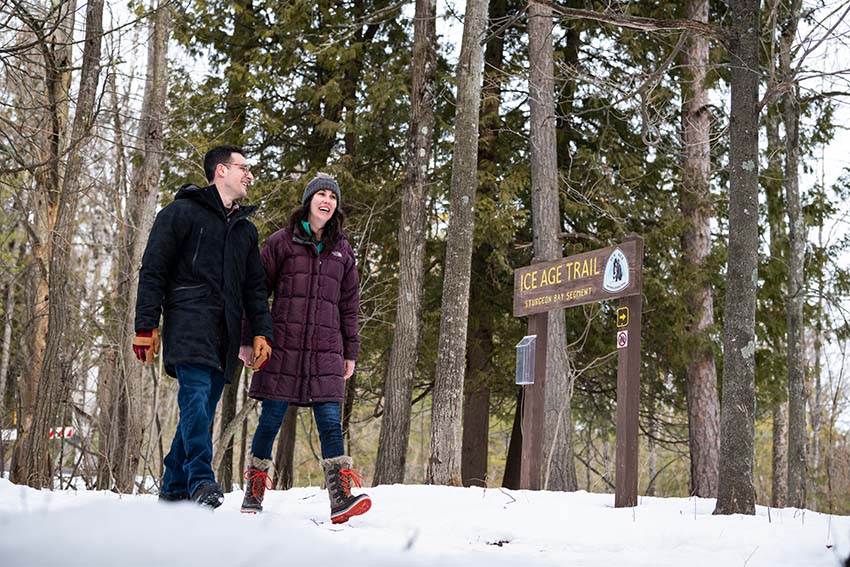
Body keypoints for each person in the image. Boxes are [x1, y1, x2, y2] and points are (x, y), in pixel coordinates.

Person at [133, 145, 273, 509]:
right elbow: (153, 269)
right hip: (188, 318)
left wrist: (260, 331)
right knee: (193, 397)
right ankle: (200, 478)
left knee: (202, 408)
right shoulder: (180, 213)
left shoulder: (245, 231)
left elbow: (255, 288)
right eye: (244, 167)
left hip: (224, 331)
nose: (250, 175)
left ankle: (173, 483)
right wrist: (146, 325)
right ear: (221, 171)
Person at [238, 173, 370, 524]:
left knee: (329, 421)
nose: (327, 201)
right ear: (309, 200)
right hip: (283, 346)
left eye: (332, 196)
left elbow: (349, 305)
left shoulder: (344, 250)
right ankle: (254, 491)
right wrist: (248, 338)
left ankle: (340, 498)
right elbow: (255, 292)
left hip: (326, 349)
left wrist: (350, 352)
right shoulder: (281, 242)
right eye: (321, 194)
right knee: (271, 420)